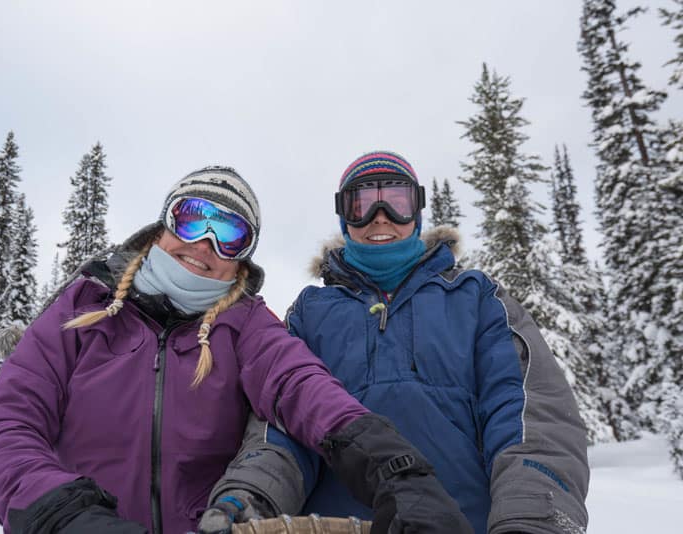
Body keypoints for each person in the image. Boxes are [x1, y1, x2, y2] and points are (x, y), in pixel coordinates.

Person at [0, 166, 473, 534]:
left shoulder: (247, 325)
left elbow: (305, 388)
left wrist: (393, 466)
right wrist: (65, 513)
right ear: (162, 229)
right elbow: (2, 433)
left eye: (229, 234)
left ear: (242, 259)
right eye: (191, 219)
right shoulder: (84, 307)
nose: (205, 244)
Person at [199, 152, 590, 534]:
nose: (380, 217)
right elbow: (282, 424)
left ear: (417, 211)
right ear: (344, 216)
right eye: (362, 203)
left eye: (396, 202)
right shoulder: (311, 314)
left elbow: (529, 417)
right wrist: (254, 495)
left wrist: (531, 519)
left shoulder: (476, 299)